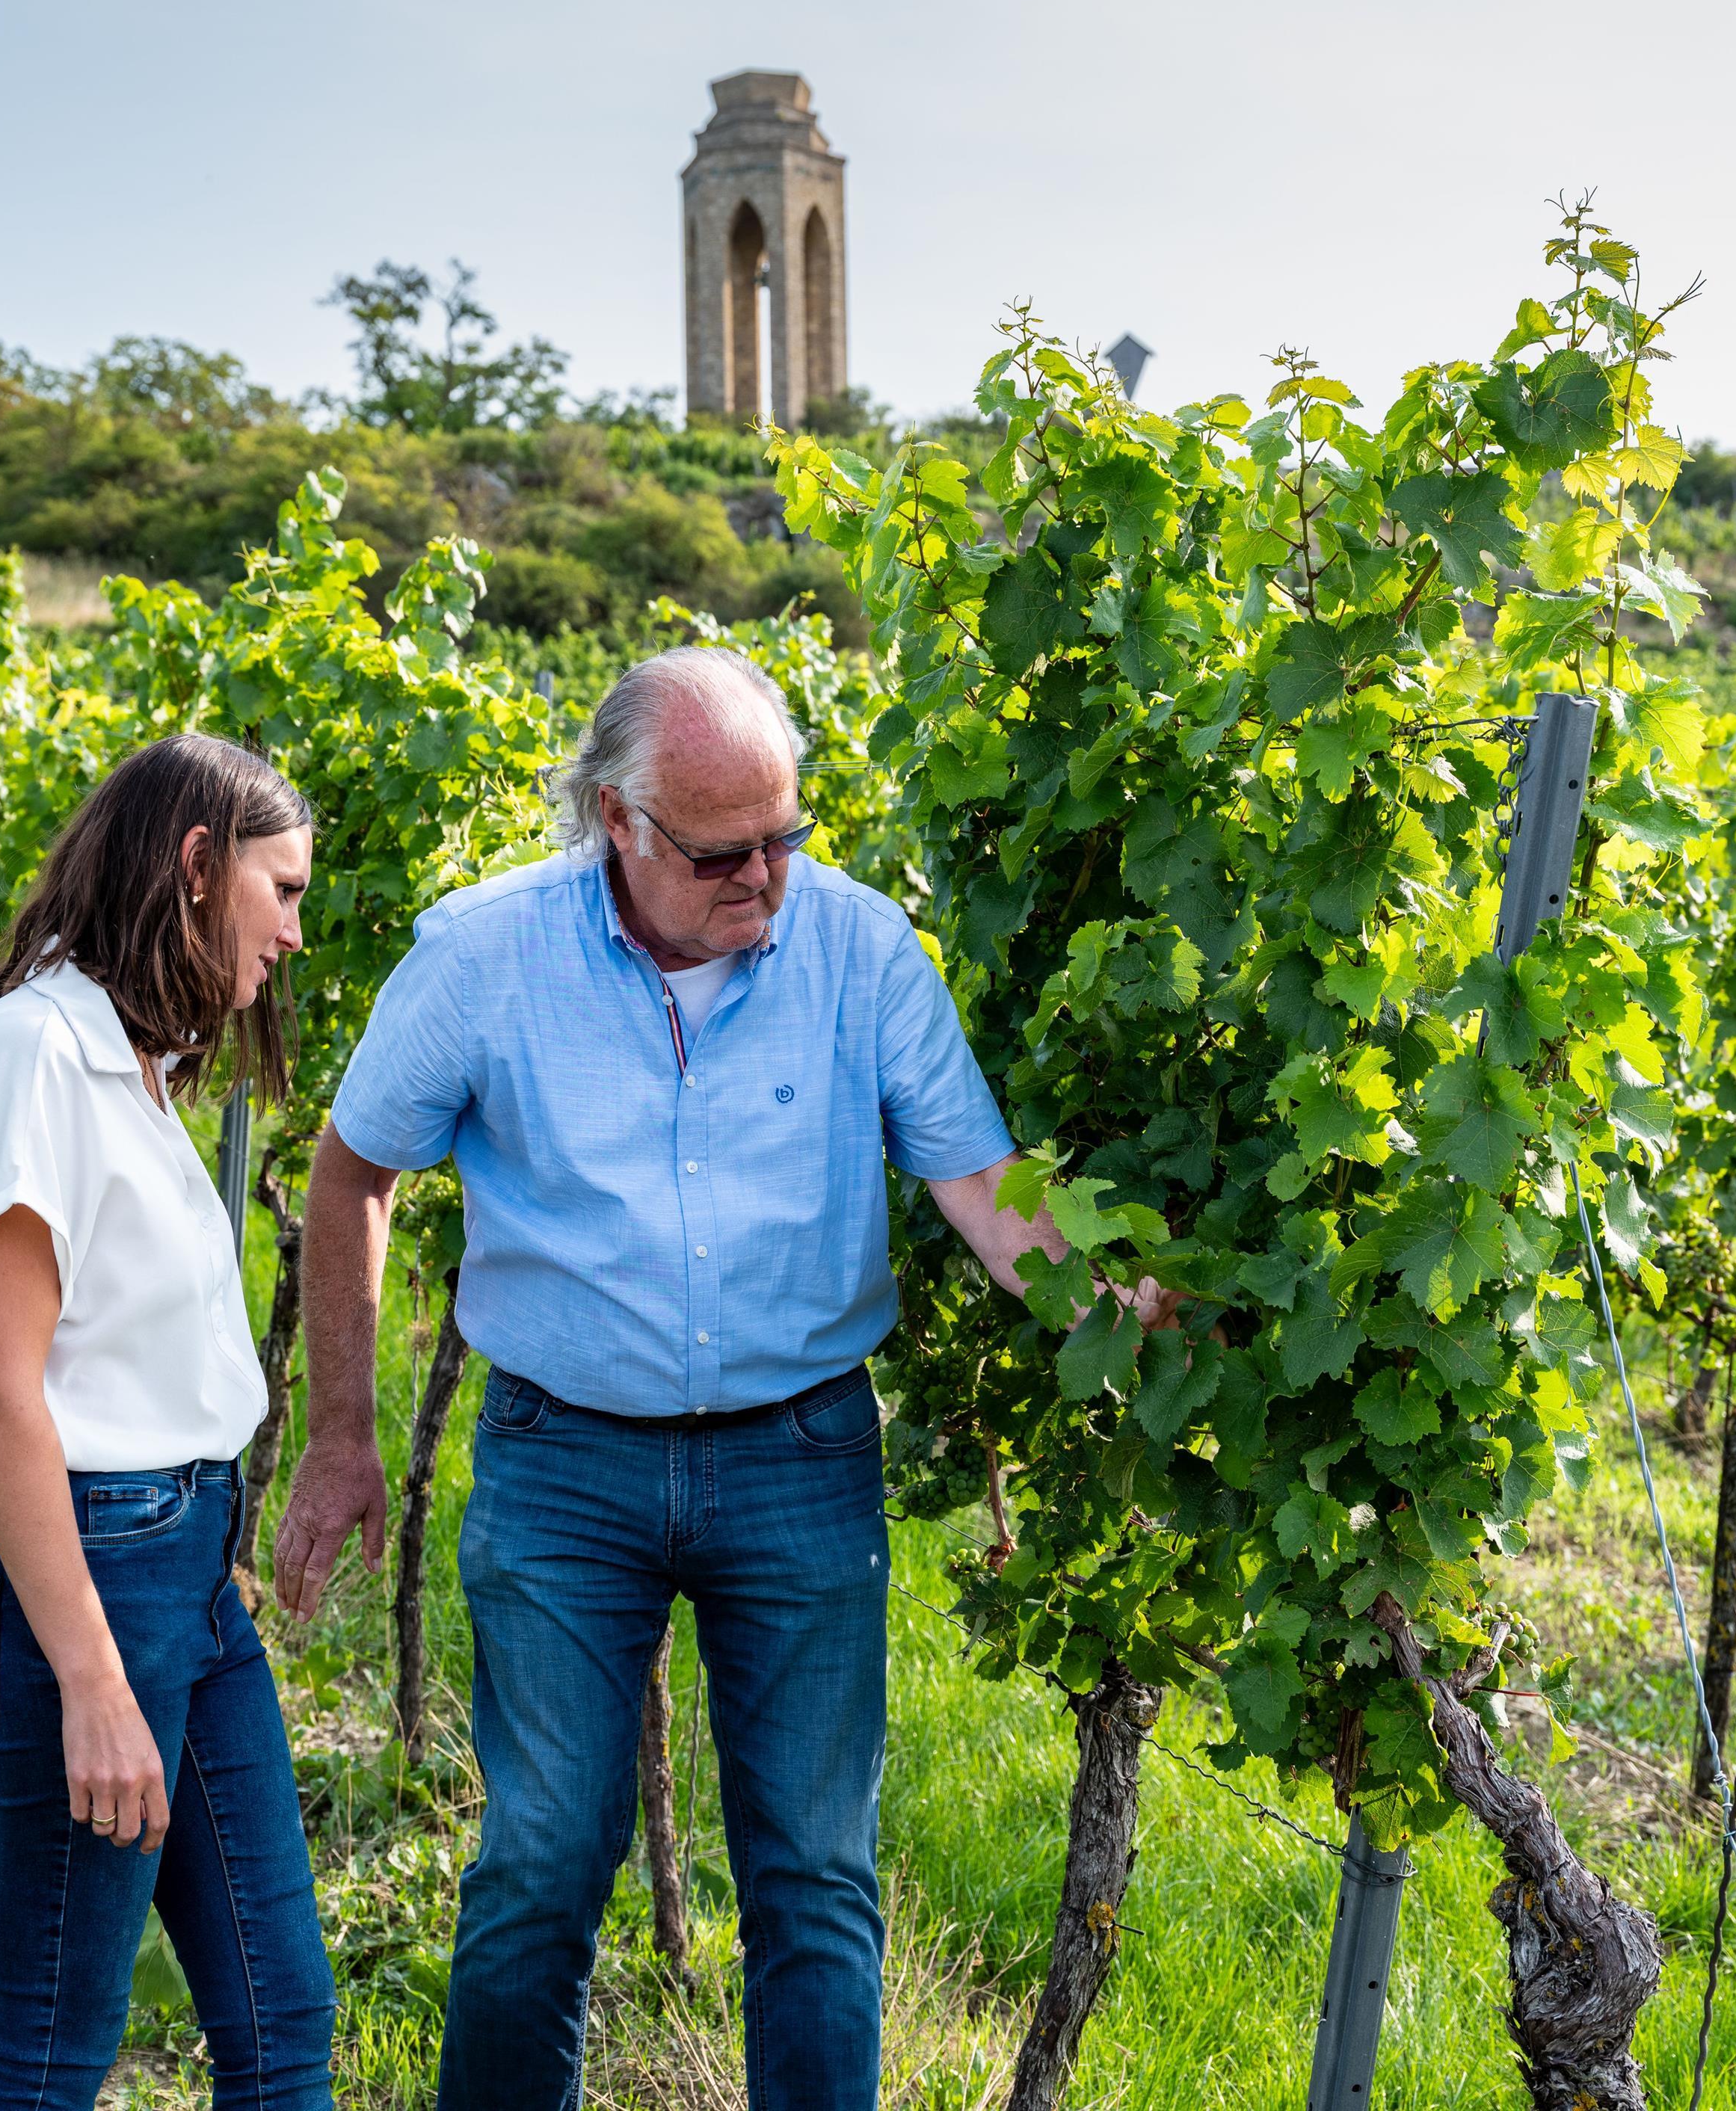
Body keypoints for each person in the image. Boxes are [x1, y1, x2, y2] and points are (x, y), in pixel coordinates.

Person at [279, 647, 1127, 2111]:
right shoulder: (484, 957)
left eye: (783, 838)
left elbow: (986, 1190)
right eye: (721, 853)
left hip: (800, 1457)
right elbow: (354, 1167)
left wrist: (1128, 1306)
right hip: (561, 1461)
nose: (763, 880)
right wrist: (340, 1437)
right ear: (617, 820)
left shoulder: (862, 951)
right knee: (541, 1864)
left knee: (814, 1875)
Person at [0, 733, 334, 2110]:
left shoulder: (131, 1064)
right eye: (281, 889)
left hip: (185, 1580)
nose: (294, 932)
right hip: (87, 1585)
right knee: (53, 2049)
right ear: (198, 865)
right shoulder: (35, 1055)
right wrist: (92, 1681)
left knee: (281, 2023)